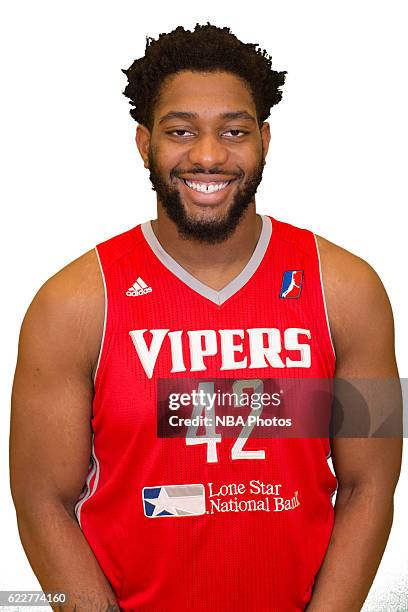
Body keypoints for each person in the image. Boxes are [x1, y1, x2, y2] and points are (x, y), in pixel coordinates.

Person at [10, 23, 402, 612]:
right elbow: (40, 500)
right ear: (144, 143)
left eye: (234, 131)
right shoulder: (70, 304)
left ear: (265, 140)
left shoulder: (350, 290)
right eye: (181, 131)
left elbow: (372, 482)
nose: (209, 155)